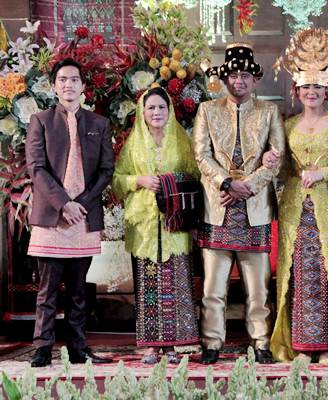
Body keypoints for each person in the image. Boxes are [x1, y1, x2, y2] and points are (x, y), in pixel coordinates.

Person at [263, 28, 328, 364]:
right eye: (306, 87)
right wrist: (270, 161)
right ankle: (303, 346)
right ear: (298, 90)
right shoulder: (287, 126)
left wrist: (323, 173)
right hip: (295, 209)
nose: (312, 92)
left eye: (317, 87)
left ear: (326, 90)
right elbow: (283, 170)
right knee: (300, 276)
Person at [194, 43, 285, 364]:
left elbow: (276, 157)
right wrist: (226, 183)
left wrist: (247, 186)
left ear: (255, 79)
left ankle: (261, 342)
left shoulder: (269, 112)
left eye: (245, 75)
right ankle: (212, 344)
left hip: (254, 209)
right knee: (213, 288)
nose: (239, 81)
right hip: (218, 206)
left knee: (258, 288)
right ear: (224, 79)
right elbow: (201, 155)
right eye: (233, 75)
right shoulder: (207, 110)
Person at [26, 58, 113, 367]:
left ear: (83, 86)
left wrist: (80, 204)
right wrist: (64, 203)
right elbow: (36, 168)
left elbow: (106, 171)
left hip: (83, 218)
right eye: (62, 79)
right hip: (52, 218)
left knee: (79, 291)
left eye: (74, 79)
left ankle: (78, 348)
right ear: (54, 86)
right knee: (47, 290)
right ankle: (42, 348)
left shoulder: (99, 124)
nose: (68, 84)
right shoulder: (40, 121)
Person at [112, 87, 200, 364]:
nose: (157, 112)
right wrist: (139, 181)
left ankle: (172, 345)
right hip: (145, 225)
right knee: (148, 284)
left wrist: (172, 182)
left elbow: (196, 175)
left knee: (175, 282)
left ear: (169, 110)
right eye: (151, 108)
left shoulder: (182, 141)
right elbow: (117, 179)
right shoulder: (134, 143)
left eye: (162, 107)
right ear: (142, 112)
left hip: (176, 222)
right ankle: (151, 346)